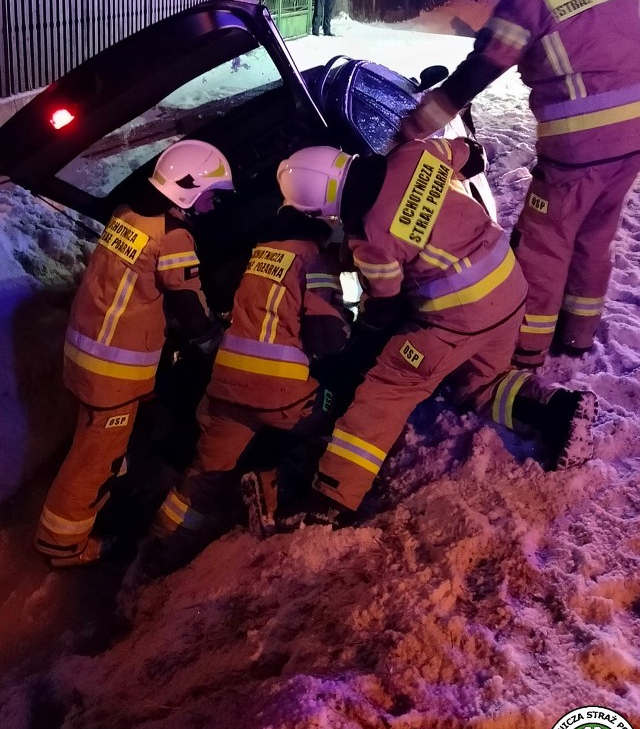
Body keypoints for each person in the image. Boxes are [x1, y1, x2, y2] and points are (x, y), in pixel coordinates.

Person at [274, 141, 597, 522]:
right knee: (481, 383)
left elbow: (387, 305)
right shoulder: (412, 155)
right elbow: (472, 153)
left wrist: (363, 336)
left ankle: (332, 497)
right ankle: (557, 412)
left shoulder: (370, 240)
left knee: (387, 389)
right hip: (507, 286)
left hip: (457, 316)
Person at [400, 0, 640, 368]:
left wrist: (415, 127)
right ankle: (577, 336)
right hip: (634, 138)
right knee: (596, 234)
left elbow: (478, 72)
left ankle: (525, 351)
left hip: (580, 146)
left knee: (545, 241)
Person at [35, 139, 234, 567]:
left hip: (86, 350)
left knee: (101, 445)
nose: (213, 206)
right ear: (189, 190)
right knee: (93, 459)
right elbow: (188, 304)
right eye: (211, 196)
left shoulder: (130, 214)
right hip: (113, 370)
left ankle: (105, 500)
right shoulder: (173, 237)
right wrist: (212, 339)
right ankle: (62, 546)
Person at [142, 205, 351, 573]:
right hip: (280, 391)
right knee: (336, 406)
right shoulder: (315, 259)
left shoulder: (262, 251)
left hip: (225, 385)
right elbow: (328, 340)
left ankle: (160, 552)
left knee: (203, 473)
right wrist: (345, 323)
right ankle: (266, 472)